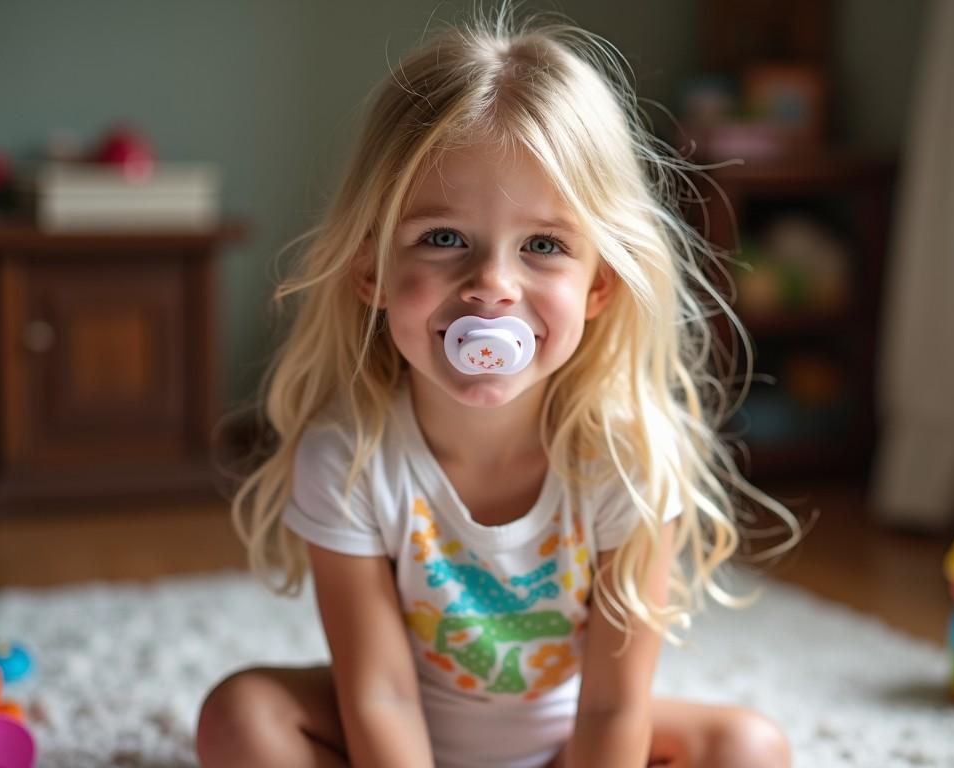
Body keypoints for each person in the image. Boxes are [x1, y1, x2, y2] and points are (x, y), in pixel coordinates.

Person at [196, 3, 806, 767]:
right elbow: (377, 693)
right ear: (370, 269)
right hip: (393, 741)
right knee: (240, 715)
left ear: (599, 287)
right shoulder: (347, 457)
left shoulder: (630, 461)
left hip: (569, 744)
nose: (492, 287)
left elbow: (616, 704)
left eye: (544, 245)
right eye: (443, 238)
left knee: (751, 747)